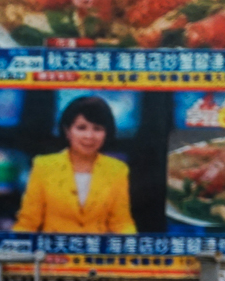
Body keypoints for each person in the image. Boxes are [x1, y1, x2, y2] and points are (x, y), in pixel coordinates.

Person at [13, 95, 137, 234]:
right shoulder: (44, 166)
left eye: (97, 129)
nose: (89, 136)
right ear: (67, 131)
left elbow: (121, 222)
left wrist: (134, 249)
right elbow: (28, 222)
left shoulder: (117, 169)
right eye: (81, 128)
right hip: (54, 253)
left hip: (95, 252)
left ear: (106, 133)